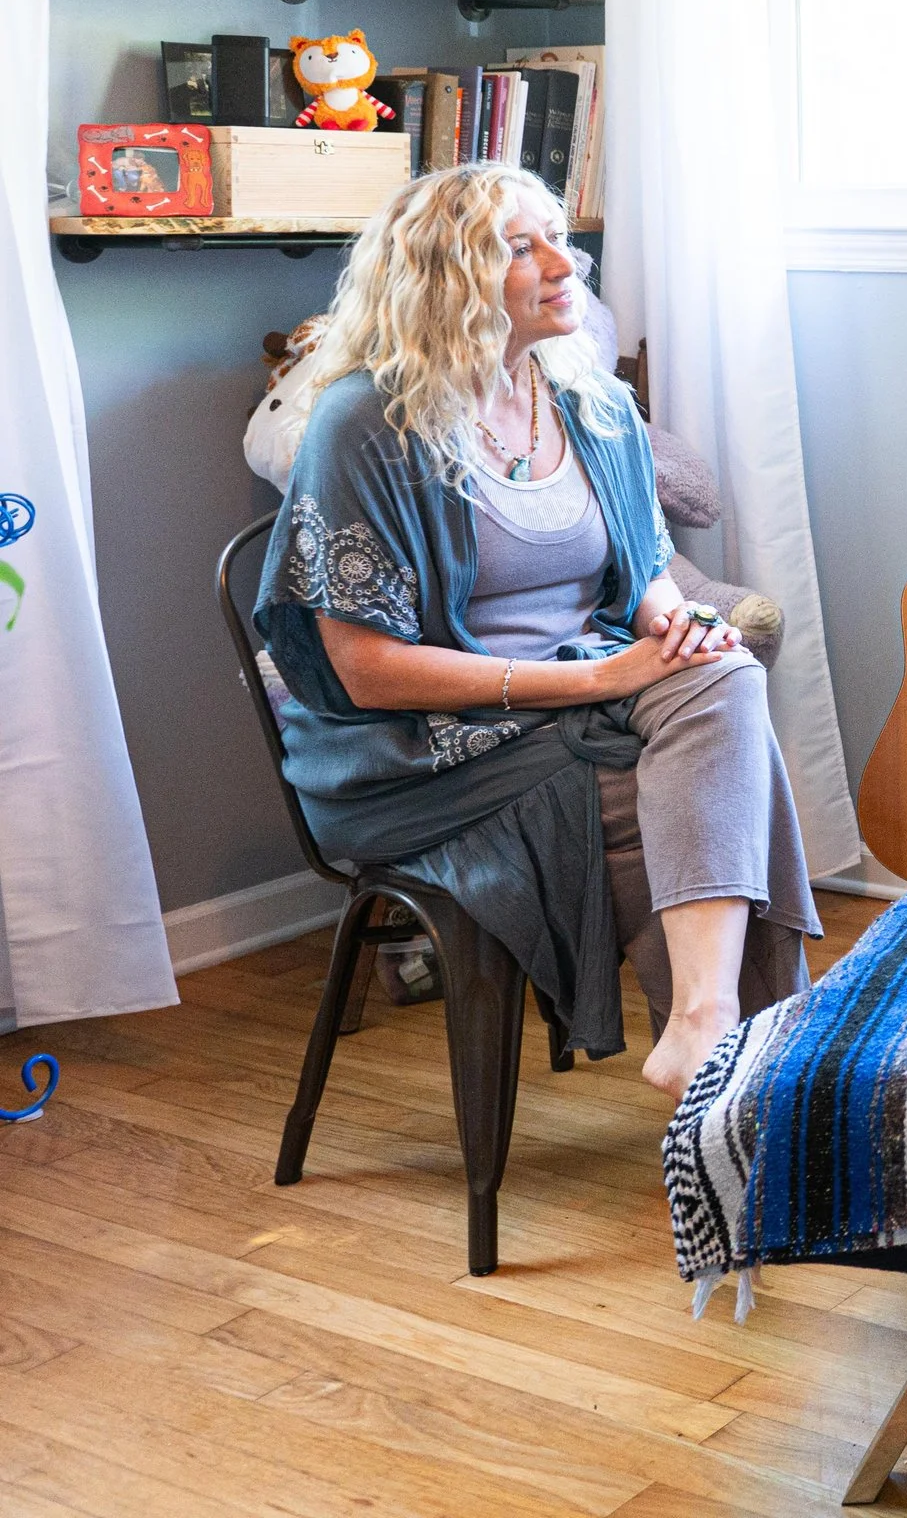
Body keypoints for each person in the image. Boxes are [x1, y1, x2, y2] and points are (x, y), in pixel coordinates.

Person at [255, 164, 820, 1097]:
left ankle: (708, 1033)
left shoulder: (590, 402)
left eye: (559, 235)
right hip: (418, 754)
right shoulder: (367, 424)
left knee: (724, 680)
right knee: (701, 793)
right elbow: (367, 672)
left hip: (572, 699)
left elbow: (641, 573)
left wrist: (679, 634)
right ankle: (750, 1079)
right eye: (522, 247)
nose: (568, 262)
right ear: (446, 278)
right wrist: (597, 684)